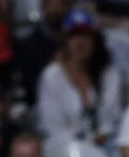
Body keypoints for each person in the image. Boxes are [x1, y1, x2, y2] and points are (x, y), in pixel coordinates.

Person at [35, 7, 123, 146]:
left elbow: (113, 119)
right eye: (75, 35)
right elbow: (52, 127)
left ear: (95, 40)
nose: (81, 42)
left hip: (106, 149)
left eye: (86, 35)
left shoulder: (110, 75)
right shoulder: (52, 76)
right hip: (64, 151)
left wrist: (101, 137)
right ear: (66, 40)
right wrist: (86, 142)